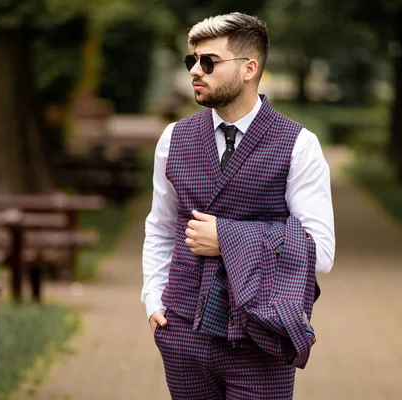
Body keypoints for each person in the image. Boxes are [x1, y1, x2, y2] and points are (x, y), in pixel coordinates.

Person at [141, 12, 335, 399]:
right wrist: (152, 298)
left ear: (249, 68)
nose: (196, 70)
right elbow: (161, 225)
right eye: (191, 61)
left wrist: (226, 238)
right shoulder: (173, 138)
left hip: (261, 335)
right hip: (181, 334)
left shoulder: (299, 145)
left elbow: (321, 251)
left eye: (209, 61)